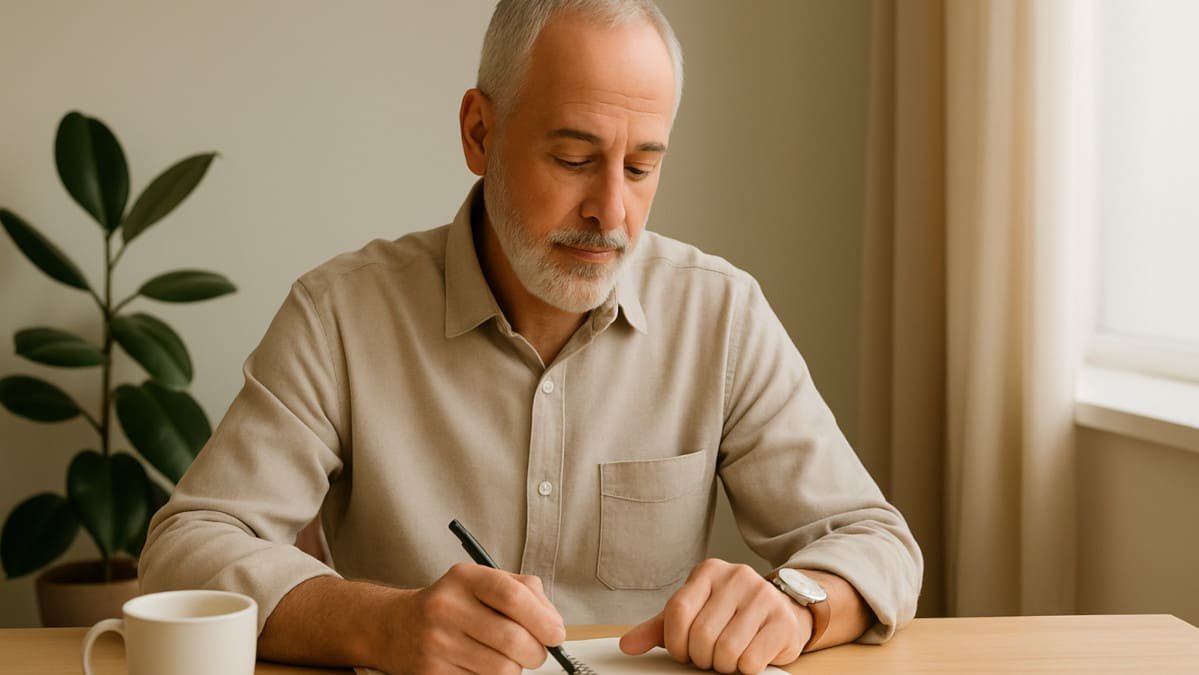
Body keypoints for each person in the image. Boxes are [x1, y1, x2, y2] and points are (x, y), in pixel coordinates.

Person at [140, 1, 922, 673]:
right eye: (574, 158)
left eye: (642, 168)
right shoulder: (340, 315)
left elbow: (874, 539)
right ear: (479, 133)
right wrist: (383, 624)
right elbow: (187, 546)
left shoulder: (721, 316)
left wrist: (794, 604)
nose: (611, 212)